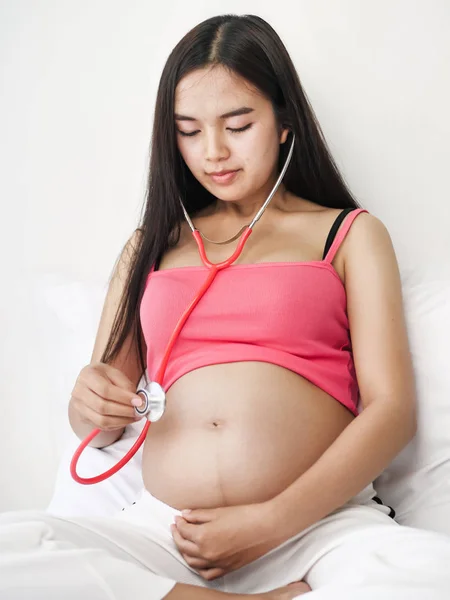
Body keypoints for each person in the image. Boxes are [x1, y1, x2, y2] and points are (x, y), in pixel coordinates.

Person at [2, 12, 450, 600]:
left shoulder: (349, 235)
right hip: (168, 536)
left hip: (315, 532)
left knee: (431, 575)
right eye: (188, 130)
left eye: (237, 124)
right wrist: (90, 403)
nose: (213, 152)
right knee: (16, 550)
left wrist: (271, 521)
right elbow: (101, 423)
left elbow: (391, 411)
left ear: (284, 121)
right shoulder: (149, 247)